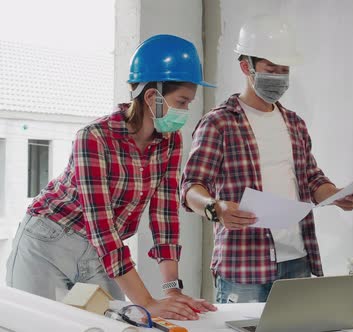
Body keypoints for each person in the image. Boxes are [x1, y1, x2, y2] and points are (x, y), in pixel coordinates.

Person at [5, 34, 217, 320]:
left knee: (115, 325)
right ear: (153, 97)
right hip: (48, 242)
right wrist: (146, 301)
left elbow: (164, 215)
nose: (186, 111)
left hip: (99, 251)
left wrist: (171, 290)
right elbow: (102, 226)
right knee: (38, 324)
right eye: (182, 101)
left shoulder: (170, 141)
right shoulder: (94, 137)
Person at [181, 15, 353, 303]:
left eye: (284, 69)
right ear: (246, 66)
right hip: (243, 267)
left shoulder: (294, 124)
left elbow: (312, 179)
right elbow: (191, 188)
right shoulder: (218, 123)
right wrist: (216, 208)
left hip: (297, 260)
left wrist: (337, 195)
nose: (278, 76)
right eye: (271, 68)